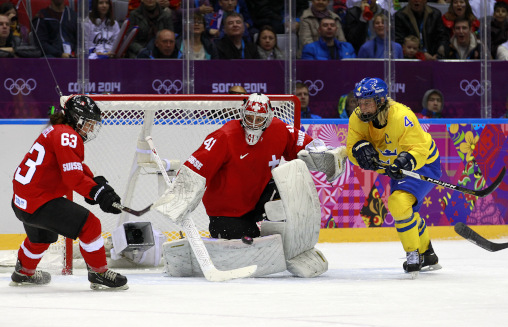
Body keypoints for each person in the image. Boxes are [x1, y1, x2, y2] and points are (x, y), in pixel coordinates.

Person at [11, 95, 128, 290]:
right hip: (39, 201)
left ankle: (23, 272)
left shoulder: (56, 130)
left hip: (22, 202)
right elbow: (73, 177)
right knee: (91, 224)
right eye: (88, 123)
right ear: (76, 118)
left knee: (41, 237)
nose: (90, 129)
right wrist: (98, 193)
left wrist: (94, 182)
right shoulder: (68, 135)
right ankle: (98, 272)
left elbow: (71, 165)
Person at [347, 77, 442, 277]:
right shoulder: (357, 118)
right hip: (395, 166)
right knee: (405, 209)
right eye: (360, 102)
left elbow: (418, 149)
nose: (362, 108)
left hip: (423, 165)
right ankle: (428, 254)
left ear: (380, 101)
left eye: (367, 102)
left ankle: (413, 255)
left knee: (398, 203)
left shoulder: (402, 116)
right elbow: (351, 149)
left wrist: (403, 162)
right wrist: (358, 151)